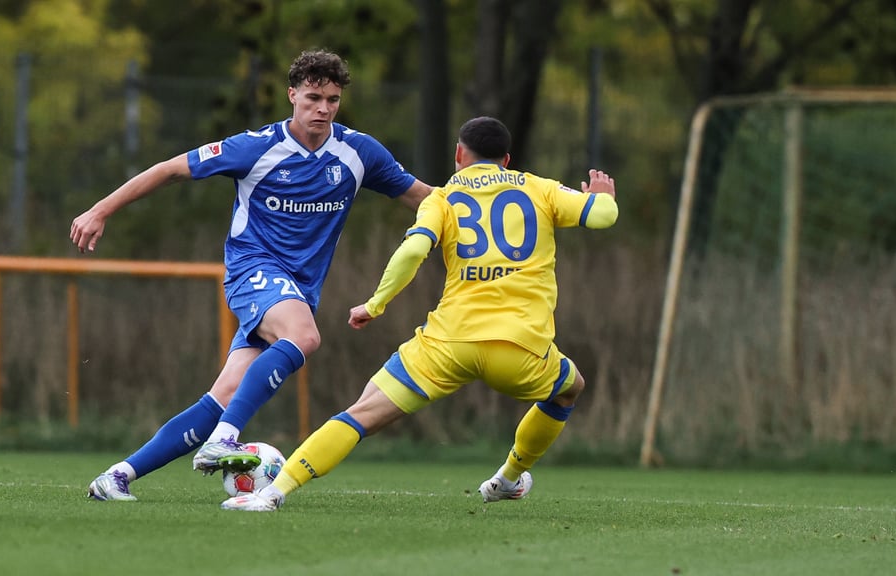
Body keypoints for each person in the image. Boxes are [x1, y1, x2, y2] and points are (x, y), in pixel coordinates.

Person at [72, 49, 432, 501]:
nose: (323, 108)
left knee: (222, 398)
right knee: (305, 337)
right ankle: (224, 440)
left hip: (297, 290)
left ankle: (117, 476)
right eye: (313, 98)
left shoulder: (358, 152)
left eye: (332, 100)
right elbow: (171, 170)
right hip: (253, 270)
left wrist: (482, 205)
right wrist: (100, 210)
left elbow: (424, 198)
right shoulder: (256, 147)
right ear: (292, 95)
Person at [219, 116, 619, 512]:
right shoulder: (540, 189)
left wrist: (375, 304)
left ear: (459, 154)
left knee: (361, 414)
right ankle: (509, 477)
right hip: (520, 348)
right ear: (507, 159)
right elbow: (603, 216)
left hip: (447, 343)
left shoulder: (442, 198)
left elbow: (412, 251)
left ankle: (272, 494)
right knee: (569, 389)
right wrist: (602, 197)